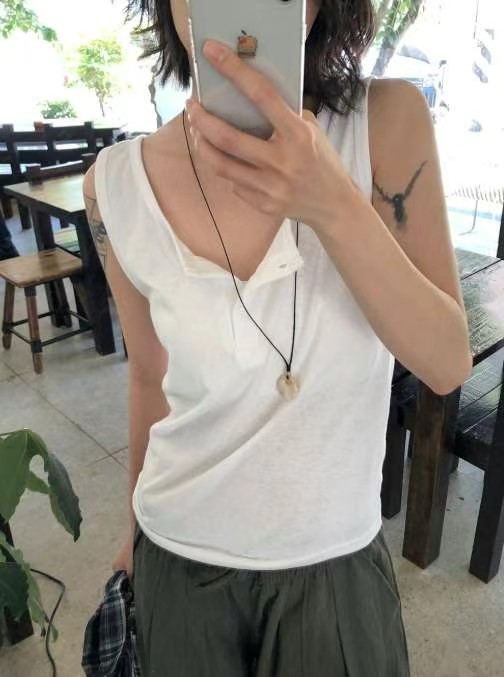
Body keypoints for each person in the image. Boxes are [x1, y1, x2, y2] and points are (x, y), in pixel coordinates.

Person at [83, 1, 472, 675]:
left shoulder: (386, 123)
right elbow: (148, 374)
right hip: (176, 552)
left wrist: (331, 202)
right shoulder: (114, 183)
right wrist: (133, 530)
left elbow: (446, 362)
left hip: (335, 564)